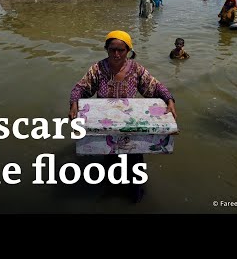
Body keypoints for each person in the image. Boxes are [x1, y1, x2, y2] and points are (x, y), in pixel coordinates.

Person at [68, 30, 176, 202]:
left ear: (128, 51)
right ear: (106, 49)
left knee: (134, 160)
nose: (116, 54)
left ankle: (135, 194)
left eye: (121, 50)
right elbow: (81, 87)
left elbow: (154, 86)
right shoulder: (98, 69)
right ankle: (110, 190)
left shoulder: (136, 69)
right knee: (110, 160)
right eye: (112, 50)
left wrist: (169, 99)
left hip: (130, 123)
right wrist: (74, 103)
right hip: (106, 124)